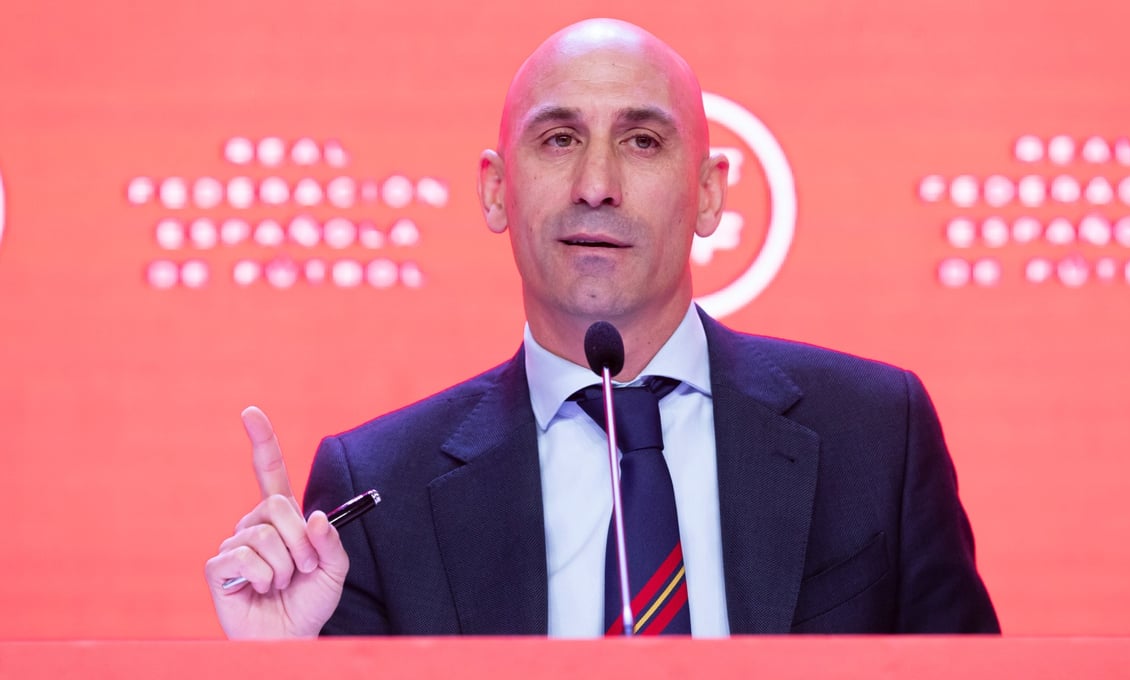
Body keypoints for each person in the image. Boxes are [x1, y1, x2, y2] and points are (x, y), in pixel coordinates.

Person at [204, 18, 999, 638]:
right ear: (495, 190)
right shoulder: (380, 486)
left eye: (642, 141)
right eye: (559, 140)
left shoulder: (876, 433)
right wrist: (281, 669)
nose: (596, 185)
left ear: (709, 194)